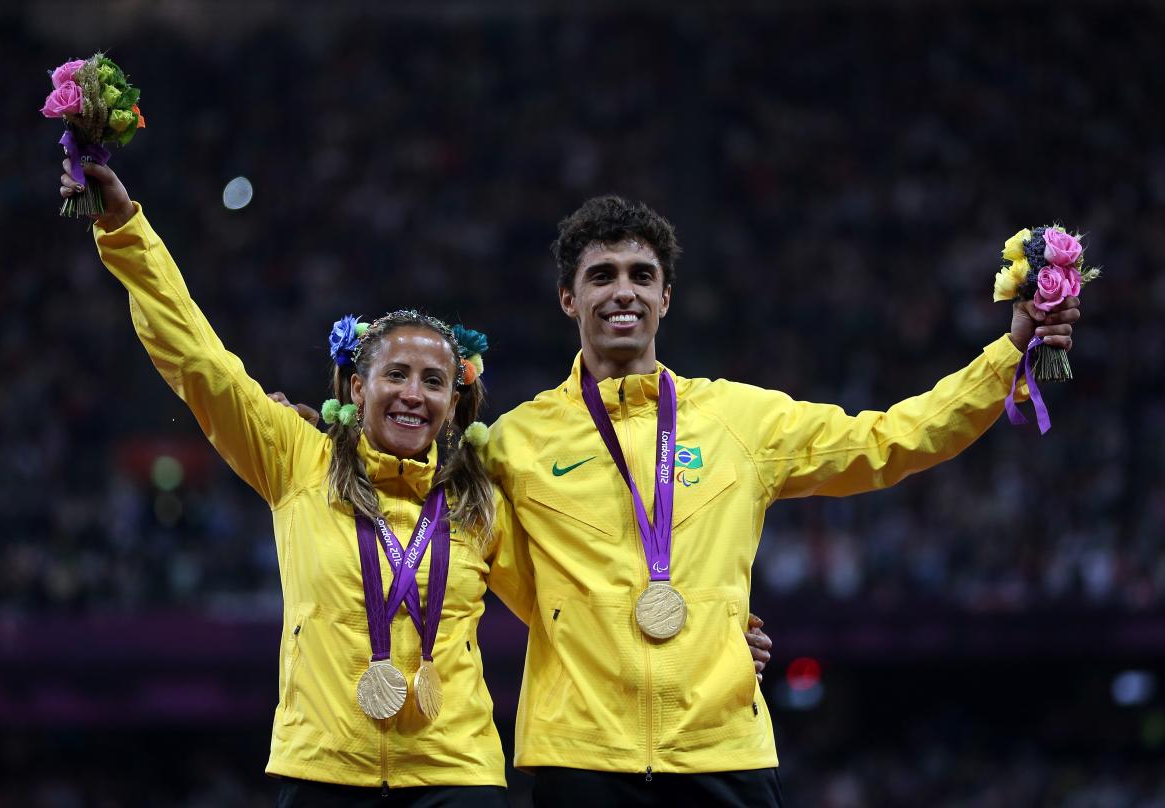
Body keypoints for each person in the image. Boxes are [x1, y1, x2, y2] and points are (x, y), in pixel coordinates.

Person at [482, 195, 1081, 806]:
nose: (623, 292)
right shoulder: (516, 442)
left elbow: (887, 442)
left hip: (722, 753)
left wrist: (1008, 354)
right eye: (600, 276)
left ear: (665, 299)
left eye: (643, 276)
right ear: (568, 298)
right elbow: (460, 547)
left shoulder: (740, 419)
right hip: (580, 761)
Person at [60, 159, 536, 807]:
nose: (413, 395)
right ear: (358, 386)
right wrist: (124, 228)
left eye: (434, 382)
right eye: (395, 374)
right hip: (322, 772)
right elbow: (202, 364)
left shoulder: (480, 502)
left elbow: (560, 606)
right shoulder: (298, 460)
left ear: (455, 404)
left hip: (456, 776)